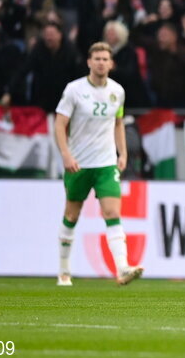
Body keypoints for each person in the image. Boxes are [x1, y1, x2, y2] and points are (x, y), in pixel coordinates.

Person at [54, 42, 143, 287]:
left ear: (111, 64)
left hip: (105, 164)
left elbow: (118, 123)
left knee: (112, 213)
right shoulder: (74, 90)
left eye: (105, 59)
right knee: (71, 215)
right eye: (97, 58)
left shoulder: (117, 91)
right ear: (89, 62)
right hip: (79, 164)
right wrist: (65, 154)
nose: (101, 62)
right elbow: (60, 124)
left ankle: (123, 268)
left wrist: (122, 153)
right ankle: (63, 270)